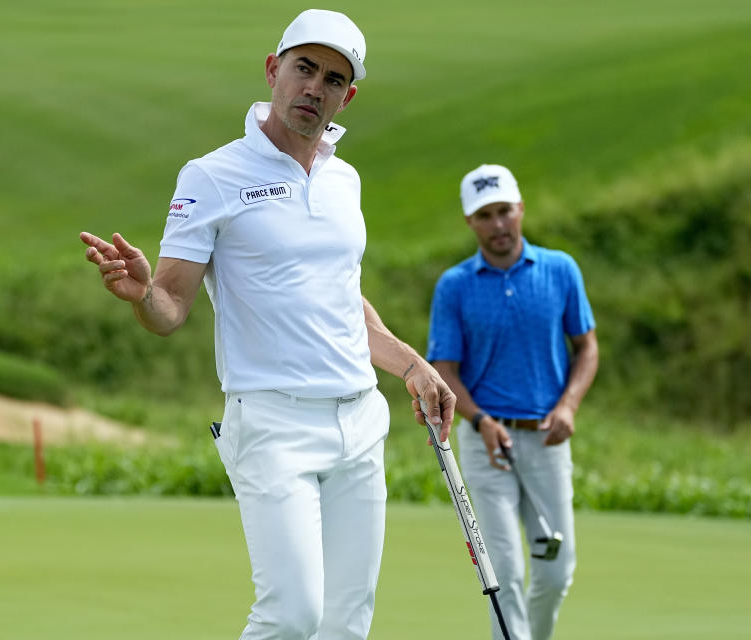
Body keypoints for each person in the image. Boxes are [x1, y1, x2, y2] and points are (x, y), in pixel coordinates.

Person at [79, 9, 455, 639]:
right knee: (292, 615)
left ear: (347, 97)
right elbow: (169, 309)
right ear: (273, 69)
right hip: (273, 425)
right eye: (304, 68)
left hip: (359, 421)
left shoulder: (345, 180)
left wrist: (413, 366)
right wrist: (143, 293)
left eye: (334, 79)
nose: (315, 87)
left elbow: (342, 305)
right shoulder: (211, 176)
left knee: (345, 624)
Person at [426, 164, 598, 640]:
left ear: (520, 210)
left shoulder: (560, 270)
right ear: (470, 222)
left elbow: (587, 347)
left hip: (546, 439)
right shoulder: (455, 286)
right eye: (485, 215)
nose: (498, 224)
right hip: (485, 446)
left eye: (504, 211)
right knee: (504, 573)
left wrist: (568, 407)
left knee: (555, 572)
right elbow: (445, 371)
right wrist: (479, 421)